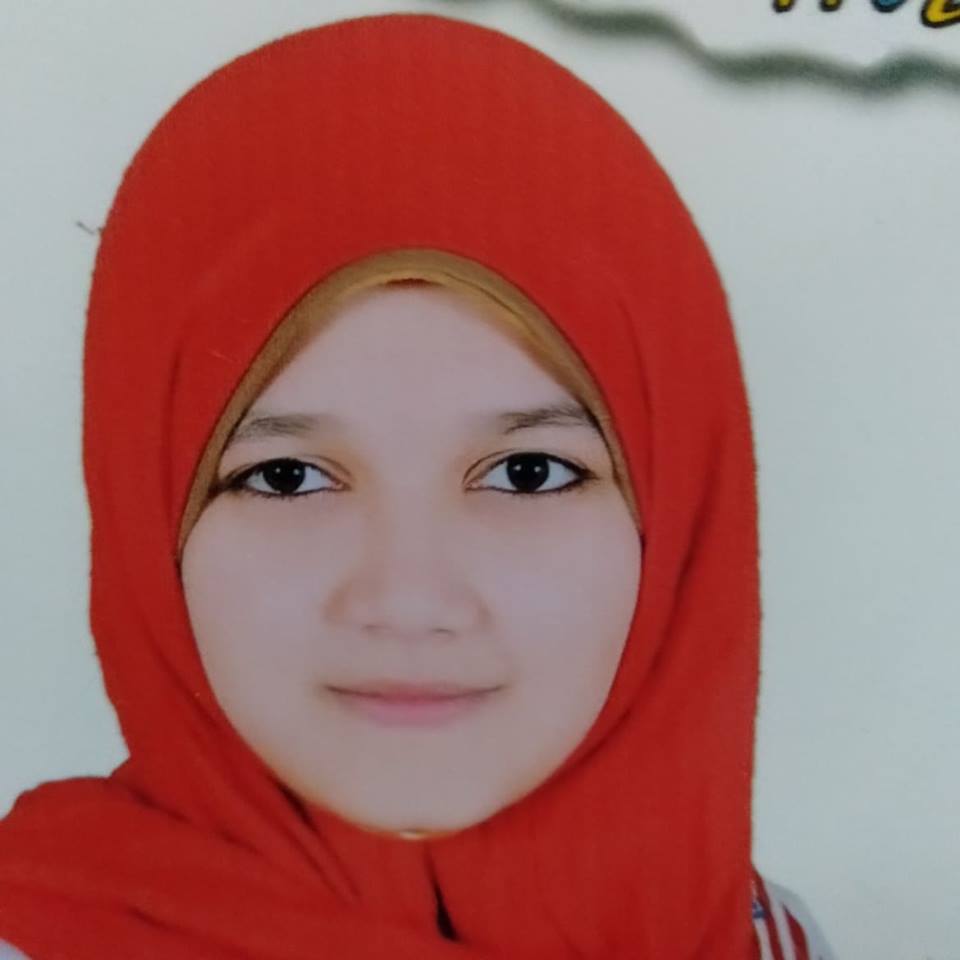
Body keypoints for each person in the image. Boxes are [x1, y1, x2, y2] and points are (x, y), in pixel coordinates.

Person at [0, 13, 836, 959]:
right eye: (287, 477)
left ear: (682, 515)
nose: (408, 600)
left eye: (528, 474)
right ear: (146, 516)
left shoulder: (762, 937)